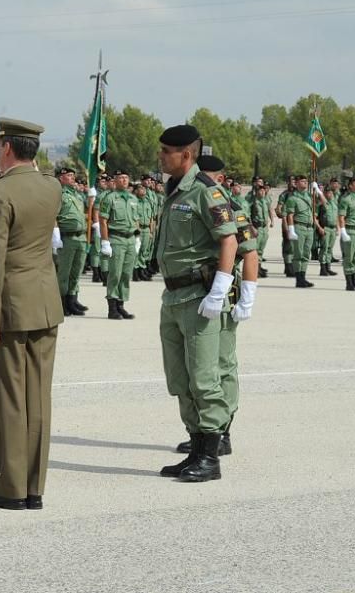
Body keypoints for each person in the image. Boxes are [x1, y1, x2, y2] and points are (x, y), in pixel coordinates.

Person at [0, 117, 63, 510]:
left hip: (10, 306)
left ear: (7, 148)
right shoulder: (52, 187)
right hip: (45, 302)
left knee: (9, 398)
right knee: (38, 398)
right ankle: (34, 486)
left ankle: (10, 488)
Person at [154, 125, 238, 483]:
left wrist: (221, 289)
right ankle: (194, 446)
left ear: (185, 154)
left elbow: (230, 240)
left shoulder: (206, 191)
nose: (161, 157)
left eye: (166, 152)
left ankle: (210, 456)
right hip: (172, 296)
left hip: (198, 297)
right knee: (180, 377)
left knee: (204, 378)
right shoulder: (174, 191)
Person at [98, 169, 140, 319]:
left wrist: (137, 238)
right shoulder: (110, 198)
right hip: (116, 239)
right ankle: (112, 307)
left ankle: (121, 304)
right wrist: (105, 242)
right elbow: (103, 221)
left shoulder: (133, 199)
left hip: (130, 240)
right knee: (115, 273)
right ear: (114, 181)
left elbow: (136, 221)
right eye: (120, 178)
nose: (124, 180)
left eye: (126, 177)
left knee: (126, 273)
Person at [52, 166, 89, 316]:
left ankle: (72, 300)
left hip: (81, 237)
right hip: (67, 237)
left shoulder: (77, 194)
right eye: (69, 175)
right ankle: (61, 303)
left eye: (73, 175)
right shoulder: (57, 194)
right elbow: (53, 215)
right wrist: (55, 236)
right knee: (64, 273)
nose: (72, 177)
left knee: (76, 270)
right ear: (61, 178)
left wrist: (91, 195)